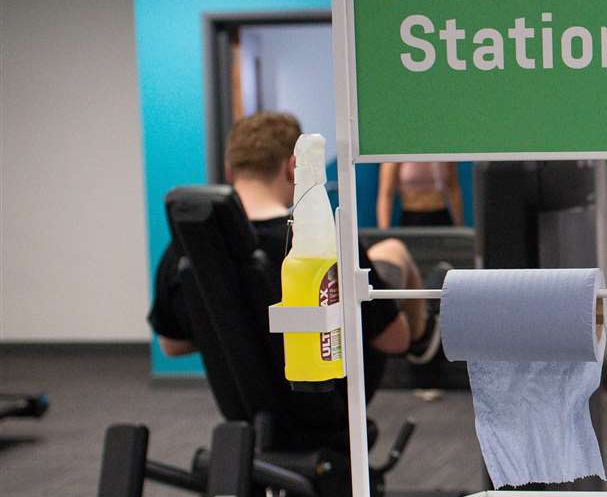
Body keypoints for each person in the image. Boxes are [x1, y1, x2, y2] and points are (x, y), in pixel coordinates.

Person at [149, 112, 441, 443]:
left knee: (383, 254)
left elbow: (171, 344)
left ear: (231, 170)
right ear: (293, 167)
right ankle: (424, 335)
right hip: (327, 402)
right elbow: (393, 342)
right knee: (393, 253)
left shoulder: (189, 251)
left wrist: (235, 327)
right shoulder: (320, 247)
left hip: (244, 410)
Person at [377, 161, 463, 228]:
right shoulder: (397, 153)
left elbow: (453, 189)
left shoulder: (442, 150)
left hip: (442, 216)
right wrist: (384, 233)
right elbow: (386, 194)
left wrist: (459, 226)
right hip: (411, 218)